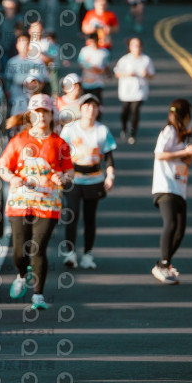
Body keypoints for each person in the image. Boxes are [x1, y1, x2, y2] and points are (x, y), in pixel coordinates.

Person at [0, 94, 74, 310]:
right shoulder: (18, 140)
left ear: (51, 115)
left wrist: (63, 177)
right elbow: (3, 167)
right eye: (37, 112)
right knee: (19, 251)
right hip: (20, 202)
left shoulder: (59, 143)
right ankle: (22, 273)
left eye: (45, 112)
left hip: (48, 203)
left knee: (38, 249)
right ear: (30, 115)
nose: (41, 116)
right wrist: (11, 177)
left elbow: (70, 172)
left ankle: (38, 296)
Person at [59, 93, 116, 269]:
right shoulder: (70, 129)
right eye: (87, 106)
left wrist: (110, 175)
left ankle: (87, 255)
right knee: (72, 214)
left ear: (98, 110)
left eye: (94, 106)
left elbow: (109, 156)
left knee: (90, 218)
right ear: (81, 109)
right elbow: (61, 152)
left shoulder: (102, 130)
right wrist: (60, 174)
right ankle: (70, 253)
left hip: (94, 179)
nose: (90, 110)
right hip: (73, 178)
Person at [151, 99, 192, 285]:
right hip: (165, 186)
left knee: (180, 231)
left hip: (179, 187)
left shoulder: (183, 135)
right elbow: (159, 154)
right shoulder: (169, 131)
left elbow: (187, 162)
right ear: (185, 115)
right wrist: (184, 152)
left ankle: (164, 263)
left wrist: (189, 153)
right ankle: (164, 265)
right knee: (170, 224)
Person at [113, 37, 155, 145]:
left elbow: (152, 75)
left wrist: (147, 74)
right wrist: (127, 74)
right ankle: (124, 128)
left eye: (139, 45)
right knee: (125, 111)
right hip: (126, 91)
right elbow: (116, 73)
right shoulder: (125, 59)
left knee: (135, 111)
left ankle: (133, 133)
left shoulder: (146, 60)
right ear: (130, 47)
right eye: (134, 45)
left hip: (140, 90)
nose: (137, 48)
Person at [5, 33, 49, 116]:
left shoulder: (38, 61)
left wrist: (34, 86)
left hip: (35, 101)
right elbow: (8, 80)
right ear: (17, 45)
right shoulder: (12, 62)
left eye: (26, 43)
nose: (23, 46)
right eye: (21, 43)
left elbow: (44, 79)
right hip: (16, 99)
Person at [78, 32, 110, 109]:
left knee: (97, 102)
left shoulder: (104, 52)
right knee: (86, 102)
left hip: (98, 82)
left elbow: (106, 66)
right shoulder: (84, 51)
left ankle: (98, 114)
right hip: (86, 82)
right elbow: (81, 64)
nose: (92, 44)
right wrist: (93, 69)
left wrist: (108, 74)